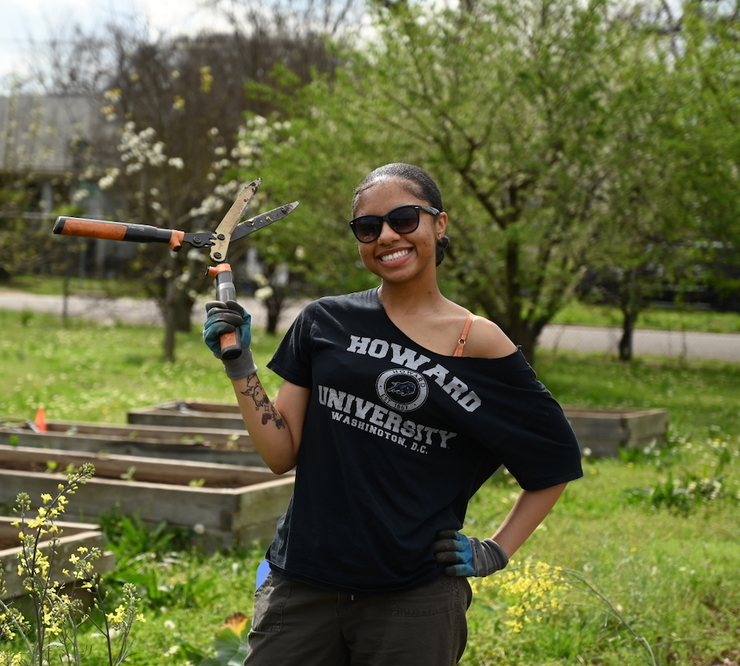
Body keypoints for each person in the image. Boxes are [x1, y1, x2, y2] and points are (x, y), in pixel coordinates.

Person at [203, 162, 583, 666]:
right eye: (368, 227)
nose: (386, 236)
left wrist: (498, 548)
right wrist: (241, 365)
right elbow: (280, 452)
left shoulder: (480, 342)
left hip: (413, 599)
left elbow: (554, 461)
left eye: (404, 219)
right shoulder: (324, 322)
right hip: (302, 586)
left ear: (438, 224)